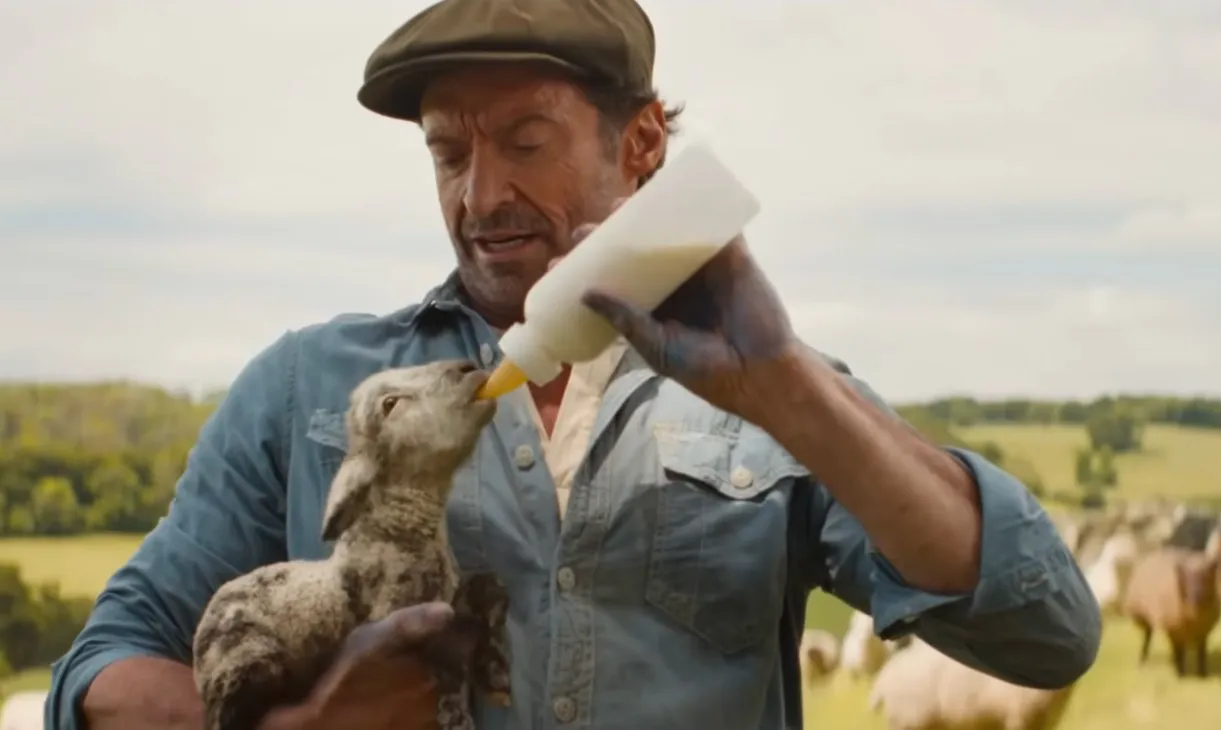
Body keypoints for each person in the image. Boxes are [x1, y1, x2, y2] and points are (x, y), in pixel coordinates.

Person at [46, 1, 1101, 729]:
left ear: (641, 146)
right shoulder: (308, 387)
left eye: (526, 141)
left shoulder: (775, 393)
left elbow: (1046, 631)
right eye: (449, 152)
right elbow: (102, 670)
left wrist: (785, 386)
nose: (479, 196)